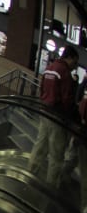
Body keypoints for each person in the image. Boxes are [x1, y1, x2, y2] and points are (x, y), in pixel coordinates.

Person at [30, 46, 79, 187]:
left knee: (40, 147)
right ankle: (51, 188)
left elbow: (42, 90)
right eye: (74, 62)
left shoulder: (49, 68)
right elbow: (67, 100)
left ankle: (30, 176)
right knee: (56, 155)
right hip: (57, 117)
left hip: (44, 113)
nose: (74, 66)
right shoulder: (64, 72)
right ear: (69, 57)